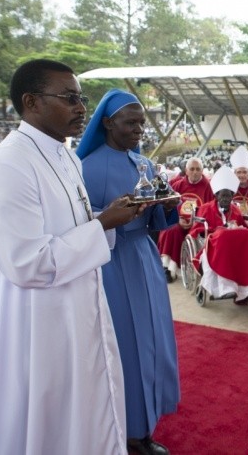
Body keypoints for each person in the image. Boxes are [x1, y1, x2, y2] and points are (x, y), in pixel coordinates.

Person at [0, 59, 146, 454]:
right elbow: (28, 262)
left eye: (82, 98)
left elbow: (66, 227)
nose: (81, 109)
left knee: (78, 409)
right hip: (33, 320)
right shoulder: (9, 164)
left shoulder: (66, 157)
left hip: (75, 307)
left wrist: (104, 217)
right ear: (31, 102)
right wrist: (103, 225)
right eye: (70, 98)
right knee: (40, 418)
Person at [77, 89, 180, 455]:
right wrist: (112, 217)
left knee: (151, 337)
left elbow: (155, 222)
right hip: (111, 264)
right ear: (107, 123)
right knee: (125, 346)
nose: (139, 129)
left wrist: (167, 205)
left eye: (141, 123)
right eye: (130, 122)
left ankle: (147, 417)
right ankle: (131, 431)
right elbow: (78, 225)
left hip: (143, 257)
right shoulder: (85, 168)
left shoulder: (144, 164)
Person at [189, 166, 248, 303]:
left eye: (229, 196)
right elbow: (197, 229)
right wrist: (219, 230)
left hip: (234, 245)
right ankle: (225, 287)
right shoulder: (205, 208)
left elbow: (242, 226)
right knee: (222, 236)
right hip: (214, 243)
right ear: (216, 195)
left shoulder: (235, 209)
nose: (226, 199)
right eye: (223, 196)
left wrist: (237, 227)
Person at [156, 157, 214, 281]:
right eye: (192, 169)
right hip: (178, 221)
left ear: (202, 171)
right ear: (186, 171)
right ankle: (168, 267)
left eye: (198, 169)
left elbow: (211, 208)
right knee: (171, 229)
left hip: (198, 224)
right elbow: (169, 207)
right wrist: (178, 220)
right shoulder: (177, 185)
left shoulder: (208, 187)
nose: (195, 172)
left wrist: (195, 221)